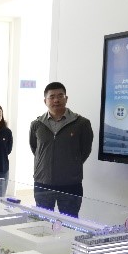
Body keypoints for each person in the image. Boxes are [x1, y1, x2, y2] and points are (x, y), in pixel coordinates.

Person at [29, 82, 93, 217]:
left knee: (70, 221)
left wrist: (72, 164)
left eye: (60, 96)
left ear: (66, 98)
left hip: (70, 184)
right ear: (45, 101)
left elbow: (85, 150)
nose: (56, 100)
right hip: (42, 182)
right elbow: (35, 149)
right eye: (52, 97)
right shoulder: (36, 124)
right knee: (43, 221)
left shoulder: (82, 123)